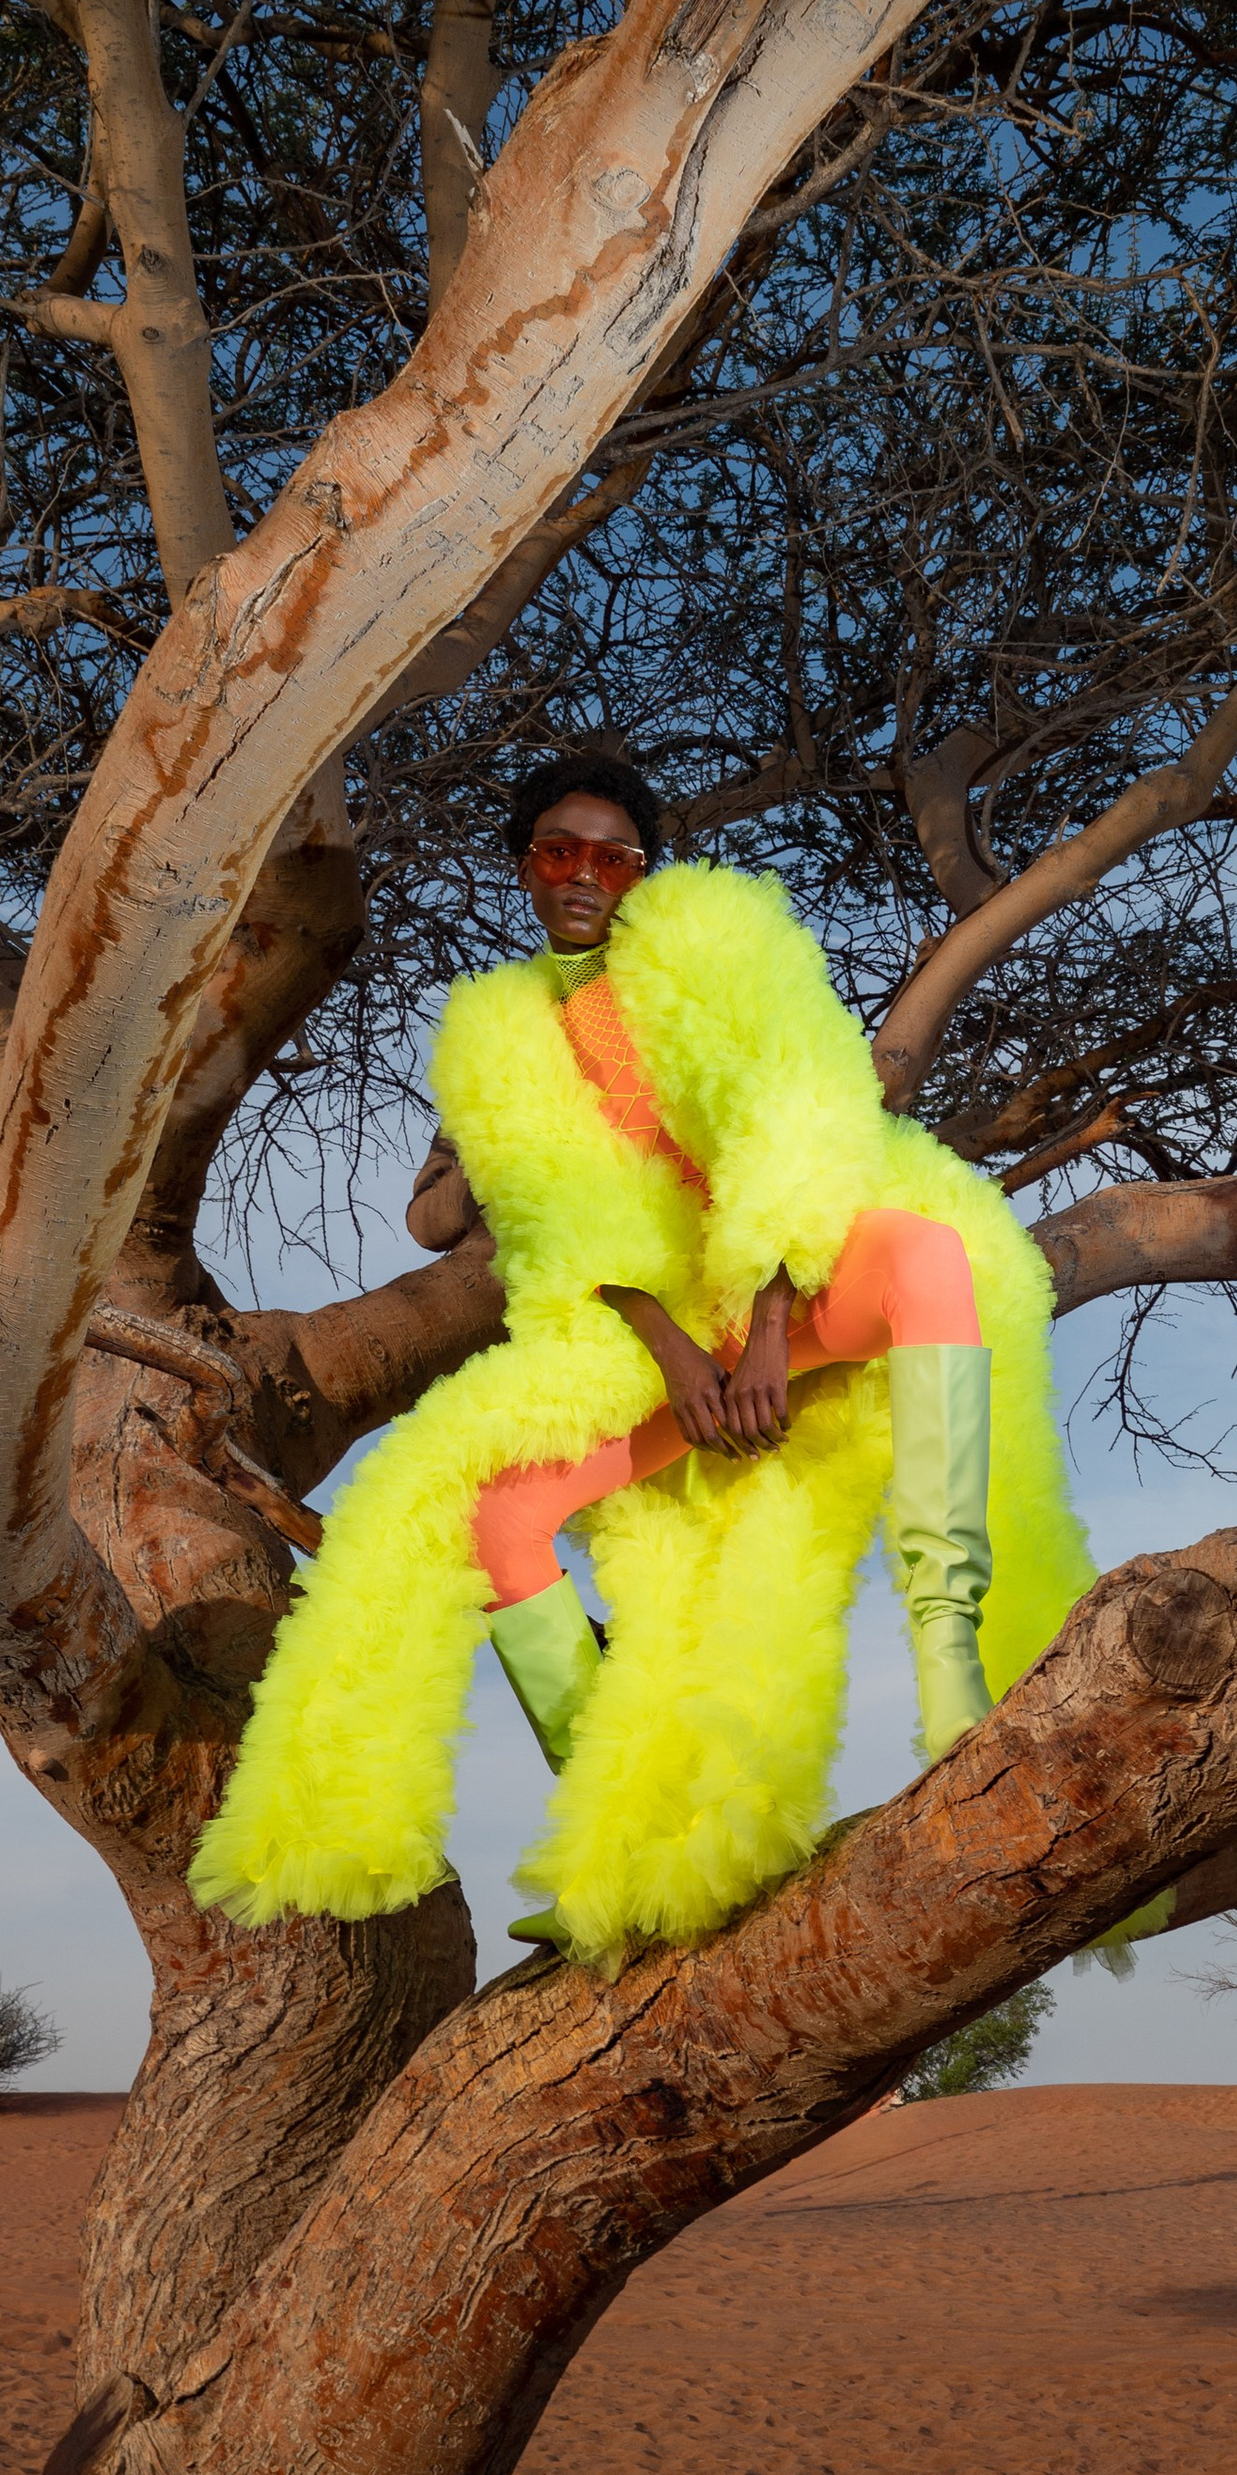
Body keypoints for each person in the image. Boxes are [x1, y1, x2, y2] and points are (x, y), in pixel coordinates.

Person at [190, 748, 1093, 1960]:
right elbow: (544, 1226)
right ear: (525, 865)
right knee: (491, 1513)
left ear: (645, 871)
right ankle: (609, 1821)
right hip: (651, 1324)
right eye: (559, 851)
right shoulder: (497, 1030)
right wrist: (669, 1344)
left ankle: (953, 1688)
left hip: (797, 1274)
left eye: (614, 857)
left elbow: (803, 1113)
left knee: (932, 1257)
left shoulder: (716, 943)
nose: (585, 875)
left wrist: (765, 1321)